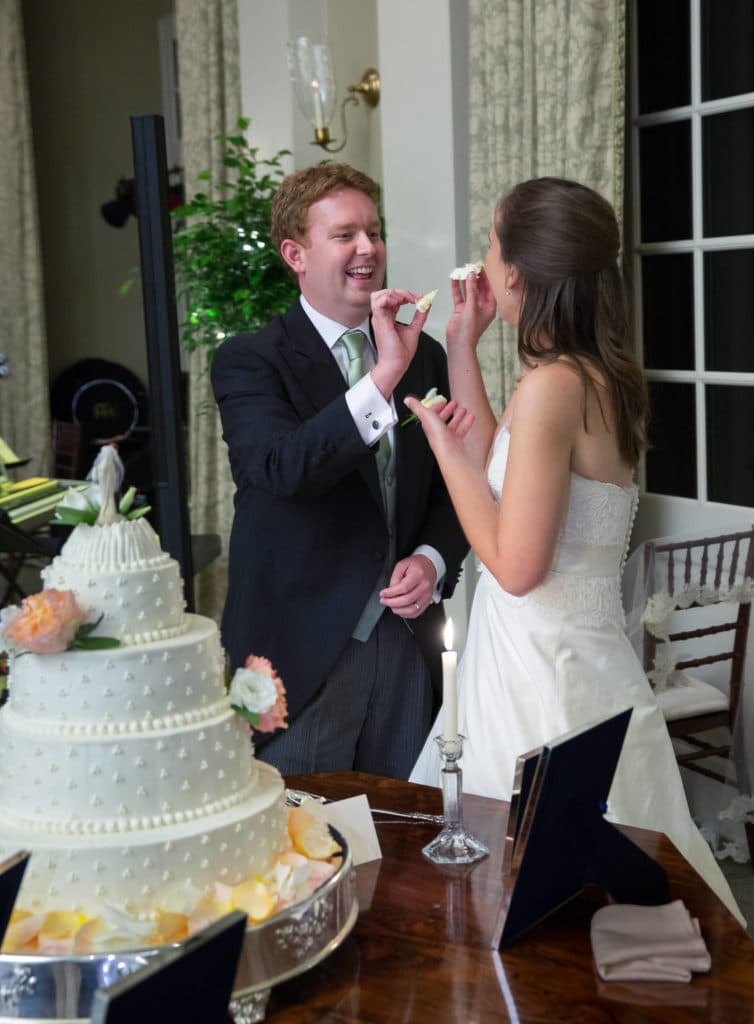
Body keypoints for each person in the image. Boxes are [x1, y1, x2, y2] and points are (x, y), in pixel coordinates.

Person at [408, 177, 745, 926]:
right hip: (577, 660)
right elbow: (512, 472)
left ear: (518, 275)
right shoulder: (597, 374)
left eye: (492, 245)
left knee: (533, 894)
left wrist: (446, 455)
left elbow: (518, 567)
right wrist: (465, 346)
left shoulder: (552, 386)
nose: (485, 259)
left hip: (538, 677)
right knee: (607, 892)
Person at [211, 163, 468, 779]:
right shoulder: (250, 360)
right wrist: (382, 378)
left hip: (407, 642)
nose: (368, 249)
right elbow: (282, 470)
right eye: (346, 234)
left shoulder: (424, 354)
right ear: (295, 254)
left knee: (404, 837)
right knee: (298, 846)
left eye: (374, 232)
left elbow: (452, 487)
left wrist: (433, 558)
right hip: (297, 655)